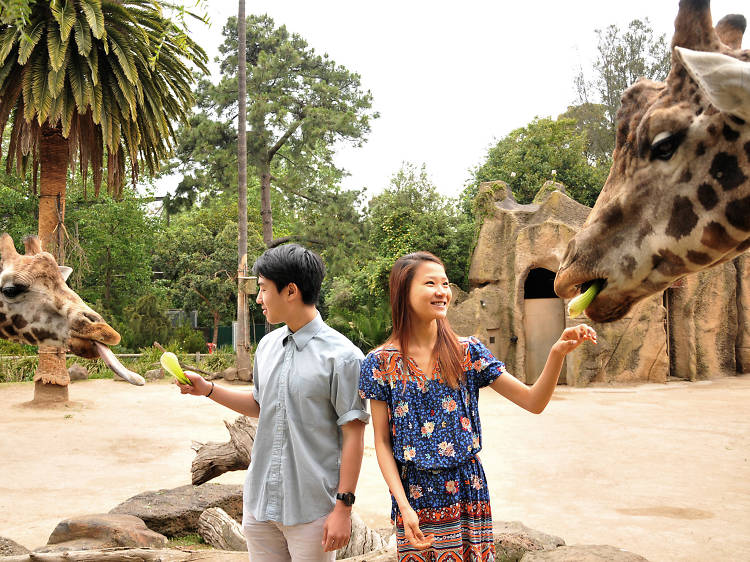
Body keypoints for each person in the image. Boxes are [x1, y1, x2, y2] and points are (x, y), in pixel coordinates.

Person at [359, 252, 597, 561]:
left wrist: (557, 352)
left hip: (467, 488)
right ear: (403, 292)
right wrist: (403, 506)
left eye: (445, 283)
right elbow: (381, 442)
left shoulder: (467, 352)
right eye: (430, 283)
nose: (442, 291)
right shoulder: (379, 363)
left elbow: (533, 401)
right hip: (416, 493)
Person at [177, 244, 369, 561]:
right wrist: (207, 389)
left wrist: (343, 508)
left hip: (311, 510)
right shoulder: (268, 346)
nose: (258, 298)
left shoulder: (344, 357)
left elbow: (354, 435)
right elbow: (260, 405)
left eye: (263, 289)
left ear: (290, 291)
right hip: (260, 503)